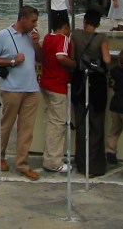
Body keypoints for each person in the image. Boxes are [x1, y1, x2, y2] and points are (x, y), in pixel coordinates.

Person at [0, 5, 43, 180]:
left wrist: (36, 43)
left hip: (31, 89)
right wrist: (12, 61)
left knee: (27, 129)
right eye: (33, 21)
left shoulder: (31, 36)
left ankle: (22, 164)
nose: (35, 25)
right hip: (12, 88)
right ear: (23, 19)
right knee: (7, 124)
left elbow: (41, 59)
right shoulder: (3, 35)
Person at [71, 9, 111, 176]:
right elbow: (107, 59)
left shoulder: (75, 34)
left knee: (81, 124)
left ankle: (82, 164)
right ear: (98, 23)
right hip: (97, 84)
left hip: (79, 82)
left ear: (84, 21)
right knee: (96, 125)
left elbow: (72, 57)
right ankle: (94, 166)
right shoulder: (101, 37)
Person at [39, 19, 75, 173]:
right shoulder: (63, 39)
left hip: (46, 83)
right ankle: (53, 161)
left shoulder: (47, 38)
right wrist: (73, 63)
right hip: (58, 85)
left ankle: (50, 156)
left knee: (51, 122)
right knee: (58, 124)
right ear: (65, 27)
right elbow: (60, 56)